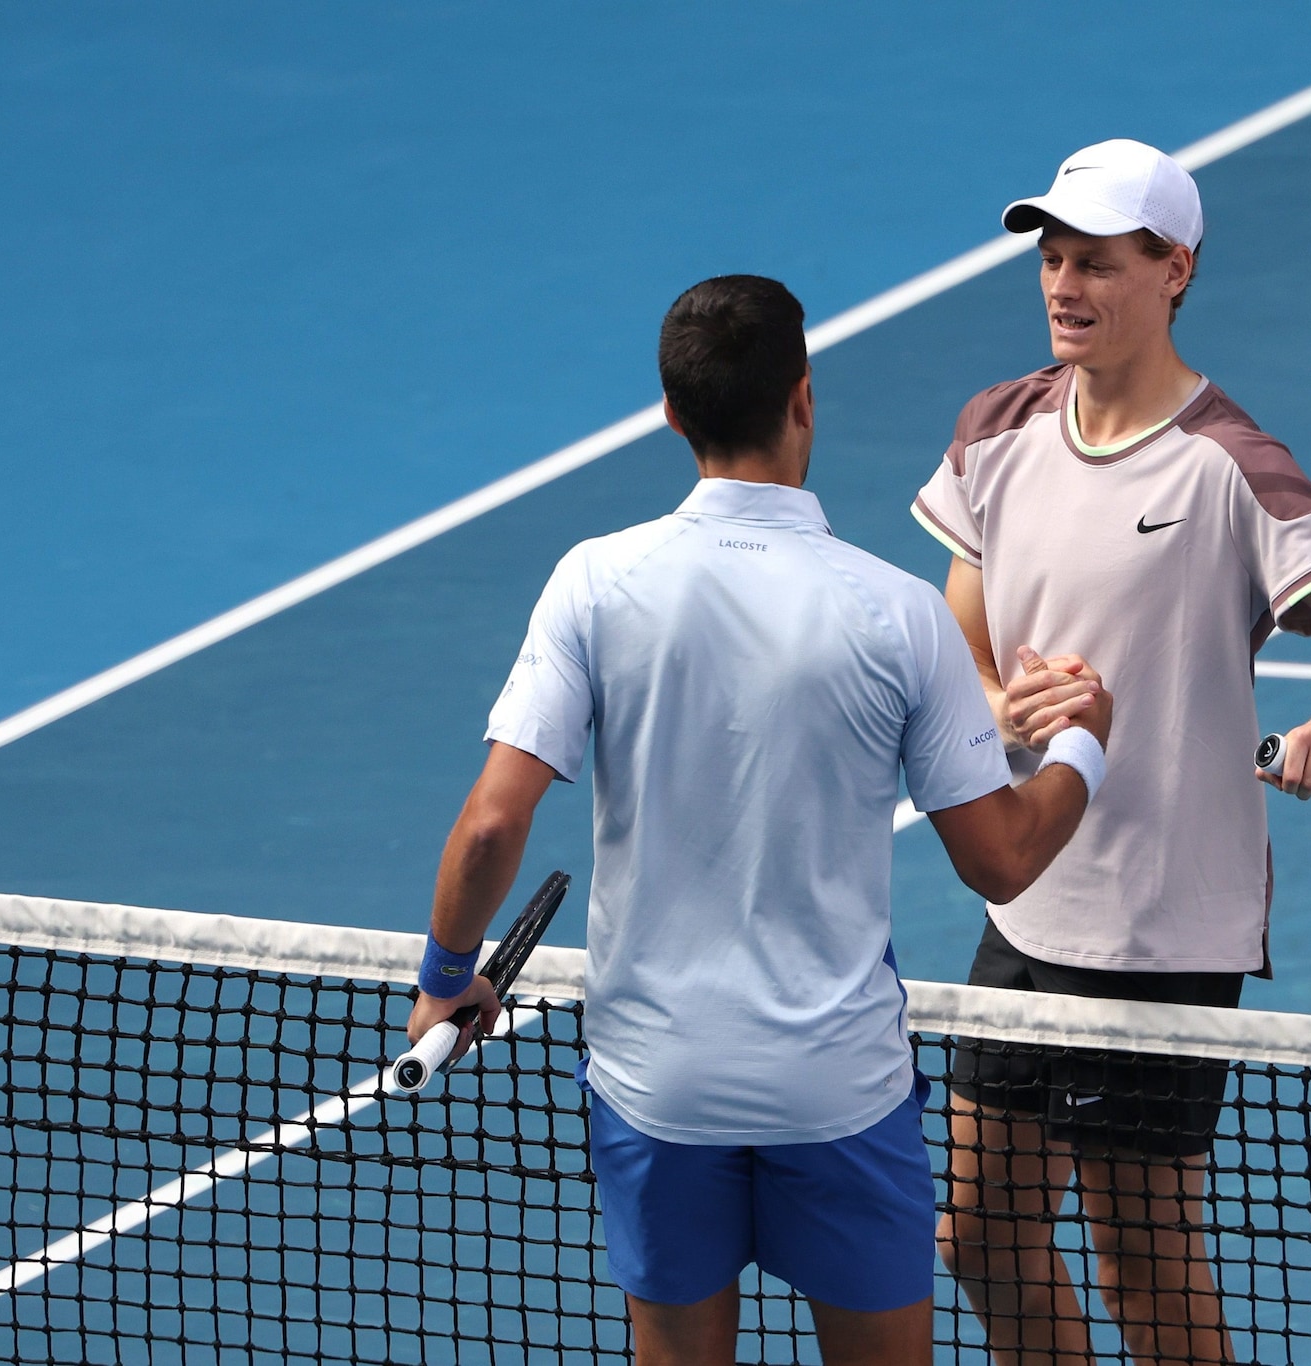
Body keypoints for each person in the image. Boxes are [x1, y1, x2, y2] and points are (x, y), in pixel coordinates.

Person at [406, 275, 1114, 1366]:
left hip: (659, 1085)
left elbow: (493, 824)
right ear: (804, 400)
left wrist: (448, 976)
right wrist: (1081, 743)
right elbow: (1005, 860)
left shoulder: (593, 583)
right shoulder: (898, 612)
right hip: (836, 1089)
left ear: (672, 413)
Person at [912, 141, 1311, 1364]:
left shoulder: (1228, 465)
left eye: (1097, 261)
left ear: (1174, 272)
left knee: (1137, 1262)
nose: (1062, 283)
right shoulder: (994, 428)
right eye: (1051, 258)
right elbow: (962, 629)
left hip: (1160, 930)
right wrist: (998, 703)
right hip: (1033, 891)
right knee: (979, 1235)